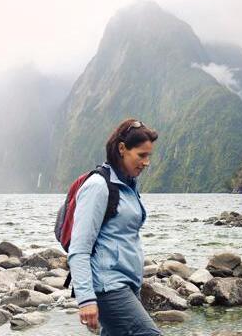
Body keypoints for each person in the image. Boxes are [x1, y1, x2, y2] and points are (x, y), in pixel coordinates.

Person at [70, 119, 160, 335]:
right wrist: (86, 299)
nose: (146, 162)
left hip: (127, 284)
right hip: (108, 286)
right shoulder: (98, 187)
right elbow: (79, 249)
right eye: (141, 155)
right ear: (122, 149)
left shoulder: (128, 186)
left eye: (149, 156)